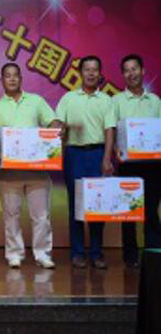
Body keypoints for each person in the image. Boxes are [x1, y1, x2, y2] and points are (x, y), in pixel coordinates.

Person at [0, 63, 60, 269]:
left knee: (41, 216)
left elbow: (52, 122)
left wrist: (57, 127)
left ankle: (42, 254)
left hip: (37, 171)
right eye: (7, 76)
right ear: (1, 80)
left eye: (15, 75)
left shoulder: (36, 101)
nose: (12, 79)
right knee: (11, 215)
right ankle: (14, 254)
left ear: (21, 78)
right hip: (9, 173)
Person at [55, 55, 115, 270]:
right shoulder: (68, 98)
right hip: (74, 154)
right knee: (77, 205)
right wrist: (63, 126)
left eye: (94, 70)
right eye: (87, 69)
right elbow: (57, 124)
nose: (91, 73)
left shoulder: (106, 100)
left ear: (100, 74)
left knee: (99, 205)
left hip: (98, 153)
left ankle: (97, 253)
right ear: (80, 73)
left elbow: (110, 130)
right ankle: (78, 253)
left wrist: (107, 158)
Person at [113, 54, 161, 267]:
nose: (131, 73)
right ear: (123, 75)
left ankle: (153, 254)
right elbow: (111, 129)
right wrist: (114, 150)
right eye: (127, 70)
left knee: (151, 211)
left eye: (134, 69)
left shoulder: (155, 101)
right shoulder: (116, 101)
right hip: (128, 164)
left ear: (143, 71)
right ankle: (130, 257)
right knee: (129, 212)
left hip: (153, 165)